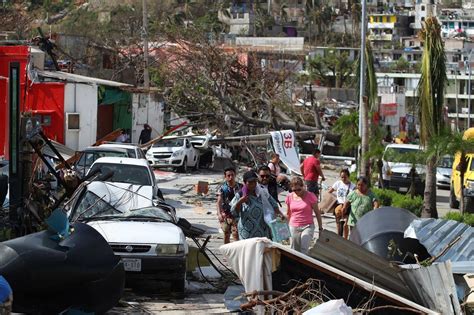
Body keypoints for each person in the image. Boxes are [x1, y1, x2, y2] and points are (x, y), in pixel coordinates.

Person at [230, 171, 282, 240]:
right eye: (250, 182)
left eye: (254, 181)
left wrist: (279, 214)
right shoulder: (240, 195)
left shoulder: (262, 192)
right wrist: (240, 202)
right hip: (247, 232)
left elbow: (273, 203)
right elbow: (234, 212)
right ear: (245, 183)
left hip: (263, 231)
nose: (253, 184)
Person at [285, 176, 322, 254]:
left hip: (307, 226)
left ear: (303, 186)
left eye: (299, 189)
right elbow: (288, 213)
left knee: (303, 248)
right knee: (294, 250)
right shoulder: (289, 197)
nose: (297, 192)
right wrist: (285, 228)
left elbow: (317, 213)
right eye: (294, 190)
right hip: (294, 225)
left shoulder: (310, 196)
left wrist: (320, 228)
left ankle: (303, 265)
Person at [216, 167, 242, 244]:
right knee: (226, 234)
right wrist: (219, 214)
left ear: (235, 175)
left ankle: (236, 253)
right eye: (228, 175)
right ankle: (226, 253)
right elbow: (219, 202)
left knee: (236, 235)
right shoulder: (222, 188)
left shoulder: (240, 187)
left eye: (232, 175)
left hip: (237, 215)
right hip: (225, 215)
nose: (231, 177)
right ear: (225, 177)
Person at [327, 169, 355, 239]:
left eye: (345, 177)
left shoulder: (352, 186)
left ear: (348, 176)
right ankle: (338, 237)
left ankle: (345, 239)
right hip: (338, 205)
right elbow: (329, 191)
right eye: (342, 177)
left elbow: (354, 197)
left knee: (346, 224)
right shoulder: (338, 183)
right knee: (338, 223)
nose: (343, 179)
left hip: (348, 206)